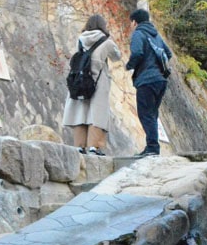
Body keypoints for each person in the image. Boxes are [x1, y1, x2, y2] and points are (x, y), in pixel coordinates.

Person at [62, 14, 121, 156]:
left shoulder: (81, 39)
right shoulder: (106, 42)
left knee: (80, 112)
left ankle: (79, 146)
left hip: (81, 80)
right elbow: (116, 56)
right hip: (98, 81)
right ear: (103, 25)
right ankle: (94, 147)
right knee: (97, 113)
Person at [126, 8, 172, 157]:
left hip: (147, 80)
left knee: (145, 114)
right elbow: (168, 54)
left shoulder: (138, 33)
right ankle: (152, 147)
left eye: (131, 22)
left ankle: (152, 148)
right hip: (160, 80)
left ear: (134, 21)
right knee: (152, 114)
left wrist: (129, 65)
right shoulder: (156, 35)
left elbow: (138, 53)